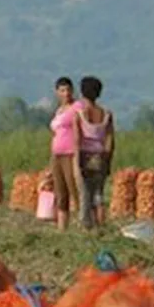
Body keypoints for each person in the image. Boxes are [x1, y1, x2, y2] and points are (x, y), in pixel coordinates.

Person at [72, 76, 115, 229]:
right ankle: (100, 225)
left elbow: (77, 141)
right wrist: (108, 161)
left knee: (84, 194)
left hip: (84, 157)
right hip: (100, 157)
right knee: (98, 194)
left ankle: (86, 225)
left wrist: (76, 165)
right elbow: (110, 140)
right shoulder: (106, 114)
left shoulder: (79, 114)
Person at [49, 76, 84, 230]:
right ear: (57, 92)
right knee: (60, 191)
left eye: (68, 90)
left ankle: (82, 224)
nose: (66, 93)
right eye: (62, 90)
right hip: (57, 154)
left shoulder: (77, 107)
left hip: (71, 154)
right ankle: (62, 229)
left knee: (74, 188)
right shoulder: (59, 111)